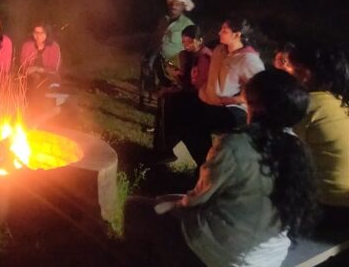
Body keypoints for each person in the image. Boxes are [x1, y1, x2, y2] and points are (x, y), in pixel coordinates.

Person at [127, 69, 319, 267]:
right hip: (266, 260)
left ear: (256, 106)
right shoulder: (297, 149)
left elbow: (197, 199)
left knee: (135, 207)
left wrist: (170, 203)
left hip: (219, 254)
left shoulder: (237, 144)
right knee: (163, 202)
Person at [184, 17, 265, 166]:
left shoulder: (248, 59)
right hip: (208, 100)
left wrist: (235, 100)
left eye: (225, 30)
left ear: (237, 34)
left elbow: (259, 90)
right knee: (181, 113)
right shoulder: (219, 50)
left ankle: (210, 165)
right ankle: (204, 162)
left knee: (195, 122)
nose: (219, 32)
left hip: (231, 109)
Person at [289, 46, 349, 215]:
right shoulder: (340, 101)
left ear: (306, 74)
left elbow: (282, 149)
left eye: (293, 70)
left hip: (328, 201)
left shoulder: (307, 105)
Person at [153, 25, 212, 162]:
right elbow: (185, 80)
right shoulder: (185, 55)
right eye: (184, 42)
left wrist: (173, 84)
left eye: (190, 42)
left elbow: (195, 86)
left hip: (202, 97)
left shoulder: (204, 57)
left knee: (174, 105)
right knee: (166, 100)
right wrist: (176, 75)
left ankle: (167, 147)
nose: (186, 45)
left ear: (200, 40)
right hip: (190, 94)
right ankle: (164, 147)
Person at [141, 0, 195, 99]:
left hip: (174, 59)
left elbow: (193, 44)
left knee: (162, 66)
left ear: (183, 7)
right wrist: (148, 51)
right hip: (158, 54)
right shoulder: (164, 20)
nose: (174, 6)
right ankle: (152, 88)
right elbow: (156, 37)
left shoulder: (187, 24)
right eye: (172, 4)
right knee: (147, 62)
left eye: (177, 4)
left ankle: (164, 89)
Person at [19, 22, 62, 89]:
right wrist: (28, 70)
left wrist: (38, 69)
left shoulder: (54, 47)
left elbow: (54, 68)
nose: (38, 35)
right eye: (36, 32)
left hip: (50, 77)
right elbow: (23, 65)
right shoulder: (27, 46)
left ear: (47, 33)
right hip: (31, 77)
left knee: (49, 82)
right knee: (33, 80)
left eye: (42, 33)